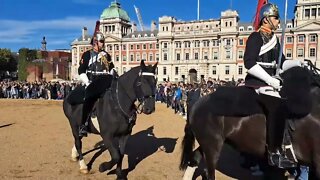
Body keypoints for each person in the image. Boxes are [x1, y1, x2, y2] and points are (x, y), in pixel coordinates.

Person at [244, 3, 302, 168]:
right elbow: (249, 62)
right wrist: (269, 80)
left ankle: (290, 143)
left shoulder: (275, 41)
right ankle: (274, 152)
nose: (279, 22)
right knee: (277, 105)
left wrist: (298, 63)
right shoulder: (256, 37)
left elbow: (281, 63)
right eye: (276, 18)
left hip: (273, 81)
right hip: (256, 82)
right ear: (266, 19)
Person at [78, 23, 116, 137]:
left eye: (103, 42)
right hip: (92, 81)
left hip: (105, 82)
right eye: (101, 42)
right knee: (88, 99)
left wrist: (113, 75)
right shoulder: (87, 55)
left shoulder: (106, 55)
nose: (103, 44)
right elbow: (81, 71)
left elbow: (112, 68)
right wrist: (88, 83)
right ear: (95, 42)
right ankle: (83, 124)